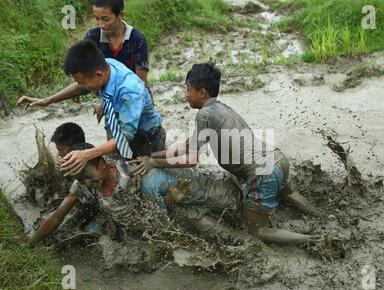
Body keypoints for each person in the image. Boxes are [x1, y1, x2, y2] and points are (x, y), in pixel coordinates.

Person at [130, 63, 322, 243]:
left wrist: (154, 165)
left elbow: (191, 160)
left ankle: (315, 240)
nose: (186, 94)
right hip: (277, 159)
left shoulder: (204, 115)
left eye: (188, 89)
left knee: (256, 232)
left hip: (263, 174)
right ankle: (322, 217)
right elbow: (186, 146)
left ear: (202, 92)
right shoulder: (219, 109)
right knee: (290, 194)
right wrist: (152, 156)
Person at [29, 143, 316, 247]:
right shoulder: (83, 187)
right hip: (175, 212)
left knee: (245, 209)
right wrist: (30, 242)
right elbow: (56, 217)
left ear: (102, 164)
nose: (85, 185)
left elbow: (184, 161)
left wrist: (171, 195)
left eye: (86, 176)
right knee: (233, 240)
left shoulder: (133, 168)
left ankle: (288, 199)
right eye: (78, 179)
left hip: (193, 190)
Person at [17, 40, 166, 176]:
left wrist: (87, 154)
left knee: (145, 180)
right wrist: (47, 100)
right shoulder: (106, 66)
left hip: (147, 139)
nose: (80, 87)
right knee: (118, 171)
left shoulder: (130, 91)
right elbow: (81, 86)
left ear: (99, 75)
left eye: (82, 82)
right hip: (119, 126)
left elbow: (123, 139)